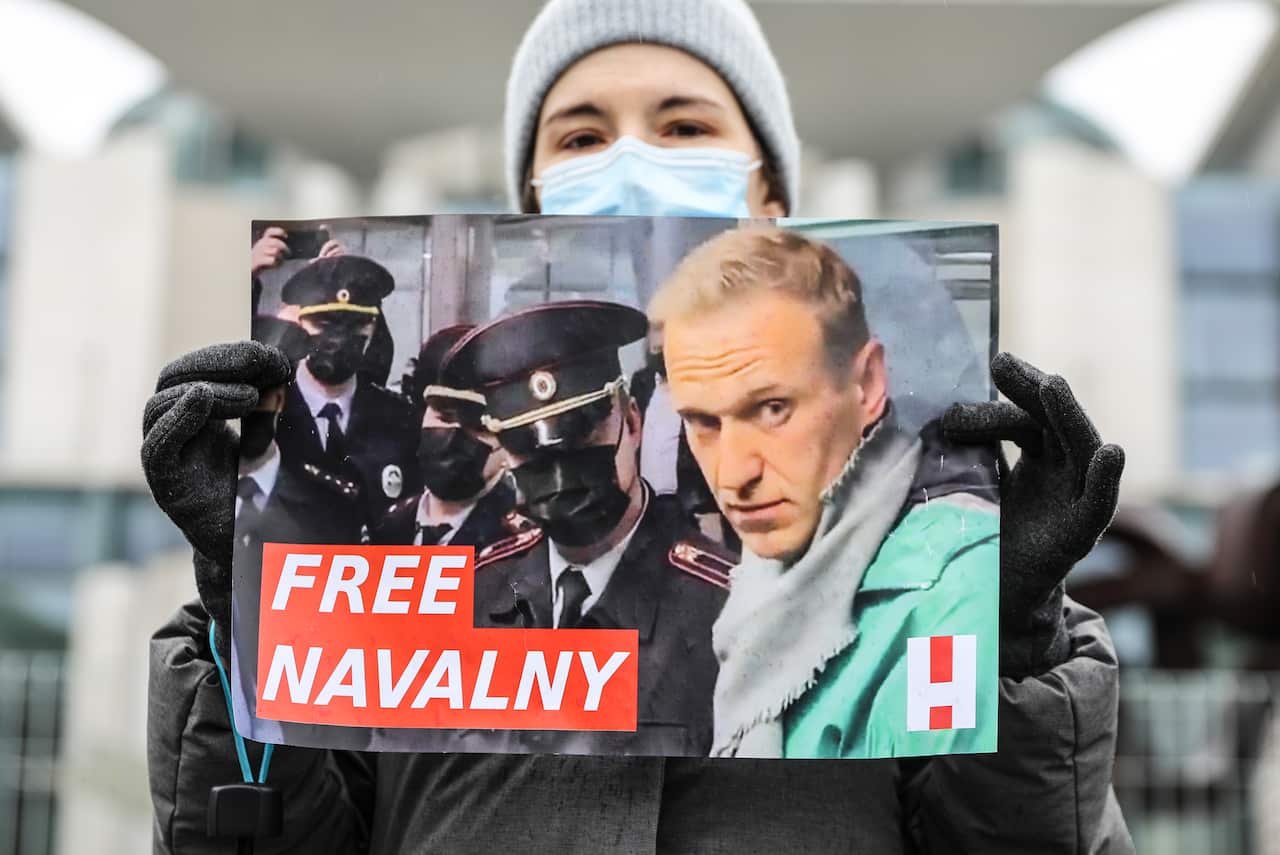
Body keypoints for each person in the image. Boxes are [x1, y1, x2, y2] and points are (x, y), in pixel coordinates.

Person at [143, 0, 1131, 851]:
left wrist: (1008, 636)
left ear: (771, 199)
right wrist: (244, 609)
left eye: (684, 125)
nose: (629, 155)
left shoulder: (857, 586)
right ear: (530, 202)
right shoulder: (434, 602)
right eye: (577, 136)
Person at [650, 225, 1003, 759]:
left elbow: (947, 817)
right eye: (703, 423)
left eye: (772, 409)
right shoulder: (762, 581)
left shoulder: (952, 591)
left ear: (868, 384)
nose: (732, 474)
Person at [443, 300, 732, 756]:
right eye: (528, 447)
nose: (559, 471)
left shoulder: (722, 612)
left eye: (581, 437)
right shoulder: (474, 597)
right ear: (504, 451)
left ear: (631, 422)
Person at [274, 254, 421, 522]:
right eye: (323, 324)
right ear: (299, 324)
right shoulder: (268, 412)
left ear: (373, 326)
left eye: (355, 325)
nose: (339, 340)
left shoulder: (401, 420)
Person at [370, 324, 523, 550]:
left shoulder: (519, 541)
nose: (454, 437)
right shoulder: (386, 526)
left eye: (477, 426)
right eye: (444, 417)